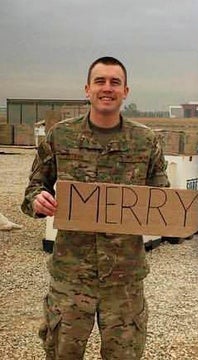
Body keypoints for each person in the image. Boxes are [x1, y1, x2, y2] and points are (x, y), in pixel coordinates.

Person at [21, 56, 170, 359]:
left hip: (124, 279)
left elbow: (162, 198)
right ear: (87, 89)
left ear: (126, 91)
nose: (107, 88)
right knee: (62, 353)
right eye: (100, 81)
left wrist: (177, 217)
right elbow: (32, 190)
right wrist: (38, 201)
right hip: (71, 275)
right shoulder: (61, 136)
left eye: (115, 82)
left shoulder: (146, 141)